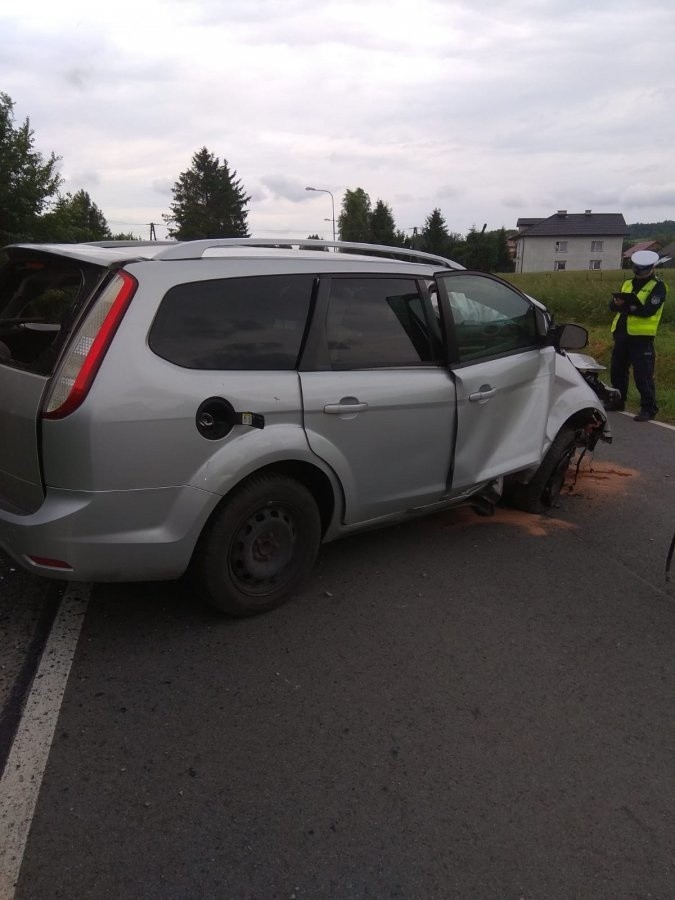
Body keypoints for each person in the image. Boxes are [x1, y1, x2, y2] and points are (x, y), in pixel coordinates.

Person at [608, 249, 668, 421]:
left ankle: (648, 409)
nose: (639, 272)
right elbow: (611, 306)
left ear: (651, 268)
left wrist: (626, 306)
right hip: (621, 334)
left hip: (642, 337)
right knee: (617, 371)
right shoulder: (627, 283)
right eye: (637, 269)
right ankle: (618, 401)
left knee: (643, 374)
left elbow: (648, 311)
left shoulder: (658, 286)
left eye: (643, 269)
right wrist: (621, 304)